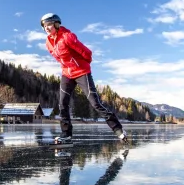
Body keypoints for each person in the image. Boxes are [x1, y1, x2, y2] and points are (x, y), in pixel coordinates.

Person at [40, 13, 128, 144]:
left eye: (49, 24)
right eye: (44, 26)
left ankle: (118, 130)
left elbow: (87, 53)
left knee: (95, 103)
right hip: (67, 74)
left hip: (81, 72)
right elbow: (60, 58)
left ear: (56, 24)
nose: (46, 28)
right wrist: (68, 68)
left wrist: (82, 64)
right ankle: (66, 134)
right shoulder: (48, 43)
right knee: (62, 103)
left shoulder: (67, 37)